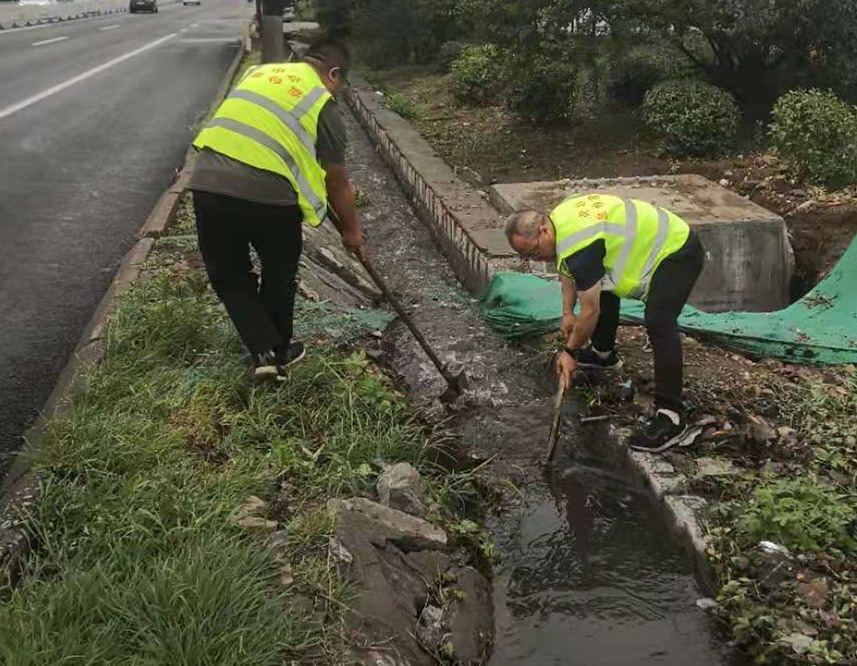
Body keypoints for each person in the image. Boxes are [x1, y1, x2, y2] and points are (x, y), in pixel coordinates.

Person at [187, 37, 362, 381]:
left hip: (209, 183)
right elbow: (337, 181)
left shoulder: (257, 73)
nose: (338, 91)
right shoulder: (321, 101)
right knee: (279, 274)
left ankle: (263, 353)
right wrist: (353, 232)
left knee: (229, 275)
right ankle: (279, 351)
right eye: (340, 83)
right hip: (271, 197)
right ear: (334, 73)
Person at [504, 193, 705, 453]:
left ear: (543, 230)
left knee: (659, 321)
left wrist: (570, 351)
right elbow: (568, 271)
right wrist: (567, 312)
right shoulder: (561, 221)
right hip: (660, 242)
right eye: (528, 257)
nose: (535, 260)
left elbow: (590, 311)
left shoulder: (579, 248)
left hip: (677, 250)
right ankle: (603, 354)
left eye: (534, 252)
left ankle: (672, 417)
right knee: (600, 284)